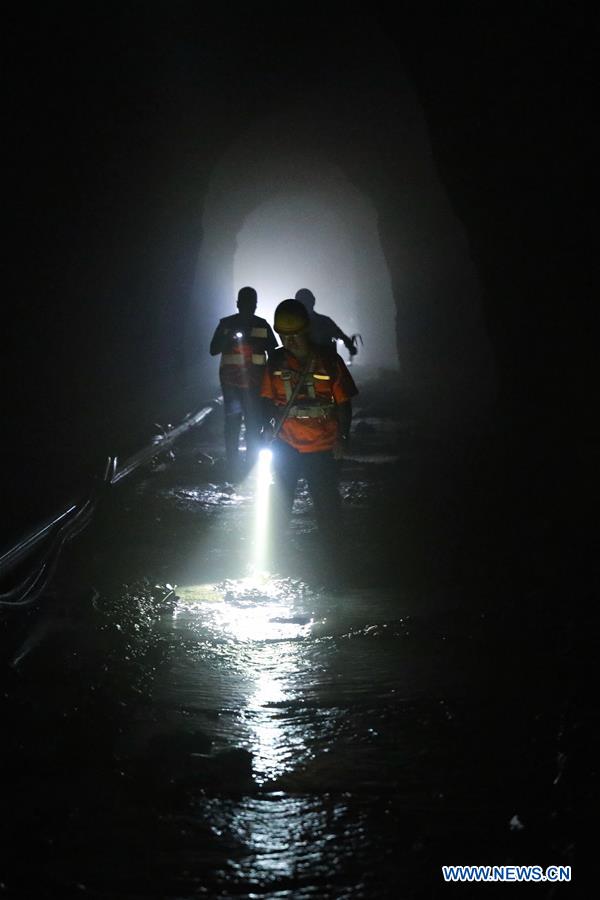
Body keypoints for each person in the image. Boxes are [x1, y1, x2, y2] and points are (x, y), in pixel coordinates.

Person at [261, 298, 358, 560]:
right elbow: (267, 402)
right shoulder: (276, 363)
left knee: (326, 503)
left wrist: (343, 437)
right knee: (280, 501)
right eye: (284, 336)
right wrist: (267, 428)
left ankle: (334, 556)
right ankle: (274, 555)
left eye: (295, 336)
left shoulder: (328, 361)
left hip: (323, 445)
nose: (290, 341)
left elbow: (344, 404)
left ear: (306, 330)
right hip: (286, 444)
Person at [210, 286, 277, 479]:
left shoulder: (257, 325)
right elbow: (214, 349)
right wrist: (227, 340)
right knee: (246, 424)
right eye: (247, 303)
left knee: (245, 425)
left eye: (251, 304)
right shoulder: (228, 325)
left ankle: (243, 466)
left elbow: (273, 354)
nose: (249, 307)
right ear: (239, 304)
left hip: (249, 384)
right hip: (238, 384)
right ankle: (239, 466)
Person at [295, 288, 358, 359]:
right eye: (304, 301)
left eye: (306, 300)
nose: (306, 303)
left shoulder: (293, 325)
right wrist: (350, 346)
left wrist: (350, 346)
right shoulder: (324, 321)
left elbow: (340, 335)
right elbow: (340, 335)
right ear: (313, 301)